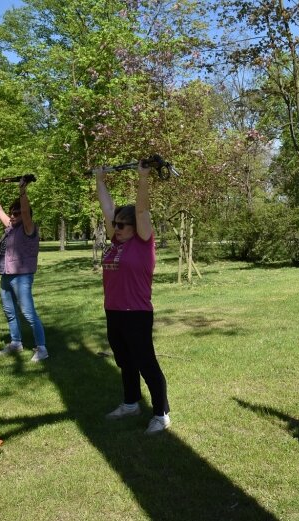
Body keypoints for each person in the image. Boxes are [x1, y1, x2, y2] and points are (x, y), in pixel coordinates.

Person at [93, 160, 170, 435]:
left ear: (135, 227)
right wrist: (100, 180)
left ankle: (161, 413)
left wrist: (143, 177)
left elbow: (141, 209)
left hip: (136, 312)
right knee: (124, 360)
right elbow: (106, 207)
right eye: (114, 225)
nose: (117, 228)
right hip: (113, 310)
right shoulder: (115, 242)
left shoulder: (143, 242)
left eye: (122, 225)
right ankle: (130, 403)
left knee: (145, 362)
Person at [0, 176, 48, 362]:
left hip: (22, 277)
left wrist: (22, 191)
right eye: (12, 212)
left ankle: (42, 348)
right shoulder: (10, 227)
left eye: (17, 212)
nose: (13, 215)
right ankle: (16, 343)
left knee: (28, 312)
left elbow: (26, 212)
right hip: (6, 274)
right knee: (10, 311)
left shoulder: (29, 228)